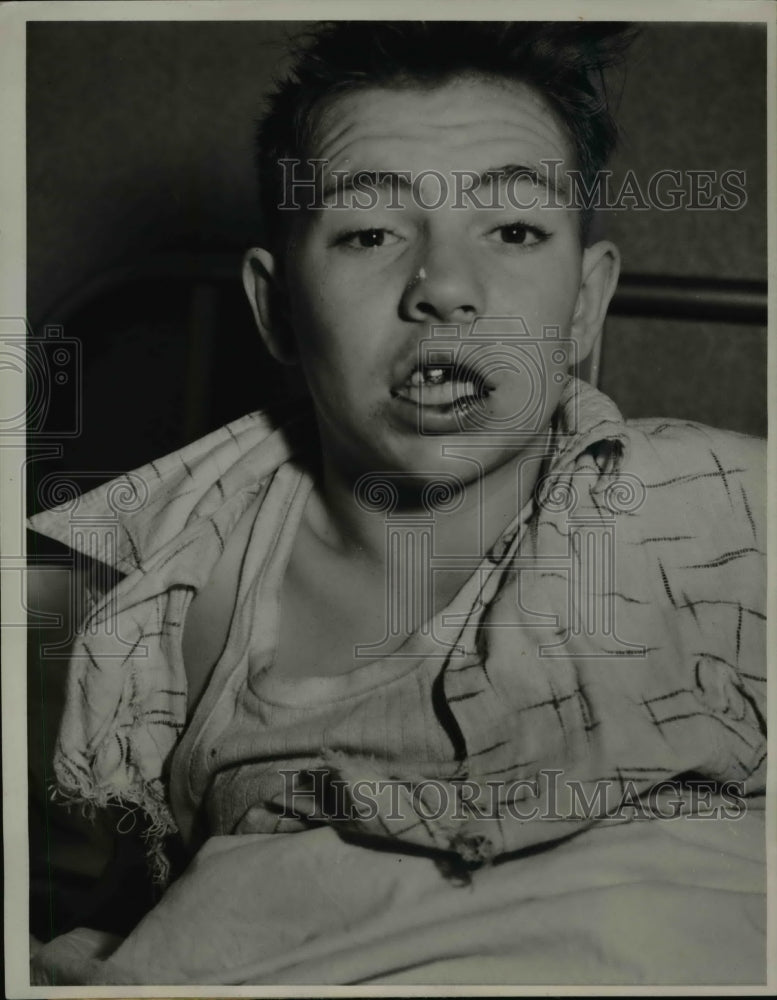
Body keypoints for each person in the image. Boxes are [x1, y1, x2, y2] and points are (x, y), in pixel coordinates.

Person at [29, 21, 766, 986]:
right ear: (278, 309)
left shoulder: (730, 520)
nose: (446, 289)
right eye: (369, 233)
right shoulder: (155, 601)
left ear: (585, 303)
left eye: (513, 230)